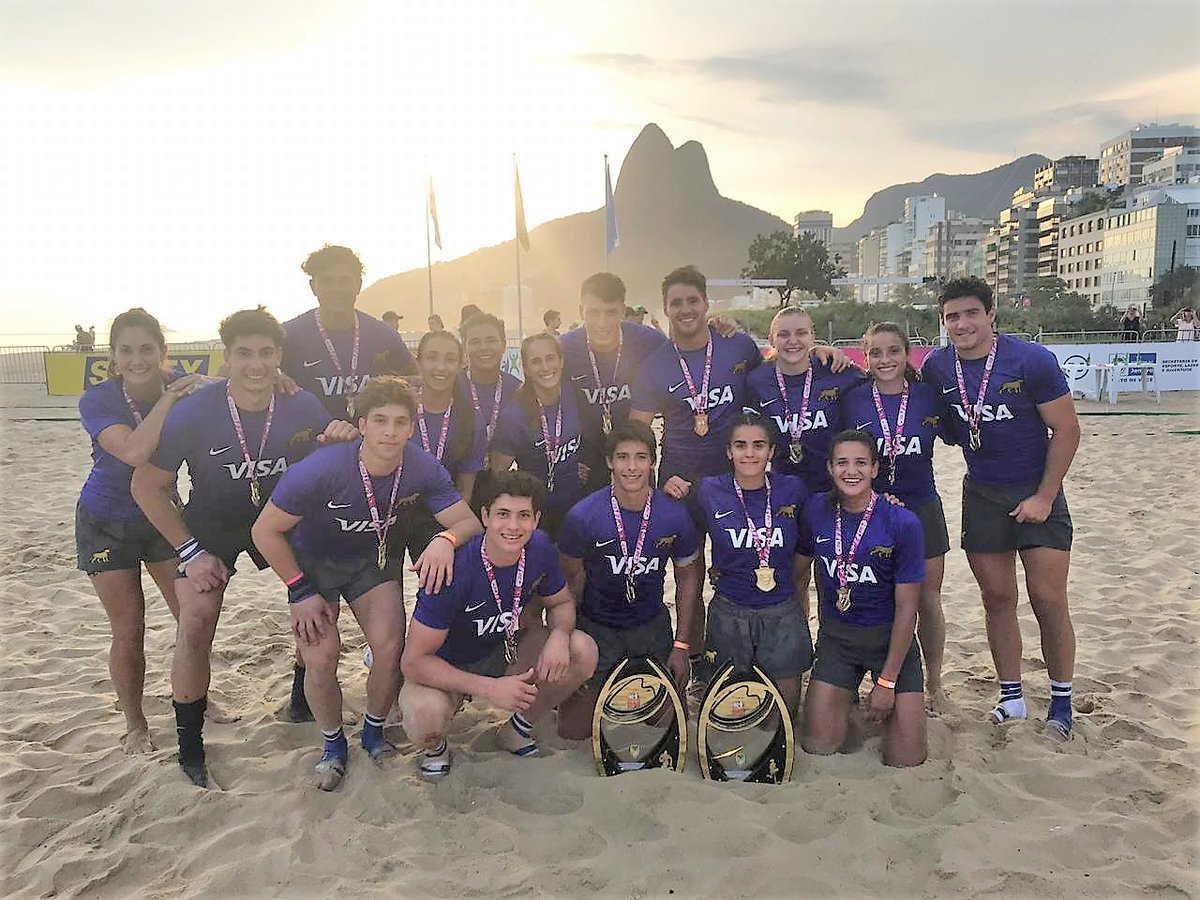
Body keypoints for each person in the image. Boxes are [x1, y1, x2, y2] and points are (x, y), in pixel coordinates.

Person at [131, 307, 357, 787]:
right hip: (213, 521)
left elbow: (331, 470)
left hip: (284, 517)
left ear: (280, 357)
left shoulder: (302, 404)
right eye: (244, 353)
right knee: (195, 621)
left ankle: (300, 697)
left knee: (317, 608)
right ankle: (190, 748)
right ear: (226, 357)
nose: (256, 364)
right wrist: (190, 551)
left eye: (266, 353)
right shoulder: (197, 409)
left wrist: (343, 435)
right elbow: (146, 486)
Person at [252, 377, 482, 790]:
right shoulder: (322, 468)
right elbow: (264, 531)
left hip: (371, 561)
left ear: (413, 427)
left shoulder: (421, 464)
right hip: (314, 565)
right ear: (362, 424)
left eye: (399, 422)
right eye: (380, 421)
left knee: (391, 646)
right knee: (321, 655)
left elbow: (468, 522)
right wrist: (299, 590)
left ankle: (373, 731)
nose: (390, 432)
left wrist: (445, 540)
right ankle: (332, 744)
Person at [921, 276, 1080, 738]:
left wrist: (1045, 496)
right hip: (983, 493)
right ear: (942, 322)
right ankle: (1011, 698)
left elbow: (1066, 431)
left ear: (991, 315)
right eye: (952, 316)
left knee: (1048, 600)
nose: (962, 323)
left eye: (972, 313)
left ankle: (1061, 702)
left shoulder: (1030, 359)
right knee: (997, 599)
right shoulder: (937, 366)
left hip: (1037, 489)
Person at [398, 472, 598, 778]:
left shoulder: (540, 548)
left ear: (536, 519)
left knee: (581, 650)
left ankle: (517, 730)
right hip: (447, 665)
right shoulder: (452, 568)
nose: (513, 526)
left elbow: (560, 603)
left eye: (523, 516)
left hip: (502, 650)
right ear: (485, 516)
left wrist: (559, 634)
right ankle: (437, 749)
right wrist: (489, 688)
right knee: (426, 719)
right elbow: (413, 662)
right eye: (503, 514)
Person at [76, 308, 213, 753]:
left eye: (146, 349)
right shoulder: (97, 400)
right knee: (129, 625)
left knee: (192, 617)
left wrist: (283, 381)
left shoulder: (182, 385)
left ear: (162, 351)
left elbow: (238, 392)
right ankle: (135, 723)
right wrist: (169, 400)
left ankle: (199, 698)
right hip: (106, 519)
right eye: (126, 350)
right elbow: (134, 452)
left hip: (161, 518)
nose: (138, 359)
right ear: (113, 357)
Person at [629, 265, 765, 660]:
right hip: (680, 482)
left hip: (733, 480)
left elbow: (777, 381)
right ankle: (691, 649)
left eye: (692, 301)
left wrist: (821, 352)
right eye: (676, 303)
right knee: (687, 573)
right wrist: (657, 480)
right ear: (665, 309)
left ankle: (730, 652)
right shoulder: (655, 363)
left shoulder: (737, 345)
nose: (685, 309)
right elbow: (637, 434)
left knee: (733, 567)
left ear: (707, 304)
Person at [555, 421, 702, 734]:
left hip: (651, 628)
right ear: (609, 461)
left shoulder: (674, 515)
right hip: (599, 628)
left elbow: (689, 580)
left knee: (668, 725)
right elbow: (570, 582)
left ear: (653, 461)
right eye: (622, 457)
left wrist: (681, 645)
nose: (632, 467)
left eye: (640, 457)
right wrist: (573, 641)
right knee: (574, 731)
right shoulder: (583, 516)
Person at [798, 430, 927, 767]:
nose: (850, 471)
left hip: (890, 642)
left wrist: (886, 682)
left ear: (874, 469)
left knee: (906, 761)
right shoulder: (815, 510)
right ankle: (843, 696)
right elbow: (795, 567)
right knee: (817, 747)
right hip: (838, 642)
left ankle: (891, 700)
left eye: (860, 463)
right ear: (829, 468)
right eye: (842, 463)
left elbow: (908, 607)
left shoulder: (902, 521)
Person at [840, 323, 950, 709]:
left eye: (893, 351)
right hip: (870, 508)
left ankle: (934, 681)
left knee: (927, 598)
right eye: (876, 353)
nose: (885, 360)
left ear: (907, 354)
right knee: (873, 593)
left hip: (921, 505)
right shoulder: (852, 398)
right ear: (864, 356)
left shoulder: (928, 396)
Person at [695, 414, 812, 715]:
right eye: (741, 445)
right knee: (730, 713)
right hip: (729, 612)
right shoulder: (709, 490)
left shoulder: (793, 489)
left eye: (759, 445)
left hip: (782, 612)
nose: (749, 453)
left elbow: (813, 538)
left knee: (784, 718)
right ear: (728, 451)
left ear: (771, 451)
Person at [559, 273, 669, 494]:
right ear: (581, 312)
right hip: (585, 463)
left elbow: (689, 354)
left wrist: (718, 327)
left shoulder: (650, 342)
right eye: (593, 313)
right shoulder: (564, 348)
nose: (602, 322)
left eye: (611, 312)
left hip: (634, 462)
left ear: (623, 310)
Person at [281, 244, 416, 420]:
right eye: (327, 281)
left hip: (374, 444)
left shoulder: (384, 336)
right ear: (313, 287)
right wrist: (274, 375)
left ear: (358, 285)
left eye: (345, 280)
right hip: (310, 445)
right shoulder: (288, 336)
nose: (337, 289)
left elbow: (415, 380)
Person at [746, 306, 865, 495]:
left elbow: (880, 378)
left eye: (801, 333)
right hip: (781, 491)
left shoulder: (835, 370)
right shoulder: (757, 381)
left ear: (812, 336)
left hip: (831, 490)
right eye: (783, 334)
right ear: (771, 340)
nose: (793, 341)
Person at [490, 333, 587, 539]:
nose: (545, 367)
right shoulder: (514, 415)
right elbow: (498, 473)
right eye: (536, 361)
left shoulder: (573, 394)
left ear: (561, 361)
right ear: (525, 368)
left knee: (575, 570)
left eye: (550, 358)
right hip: (535, 511)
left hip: (575, 504)